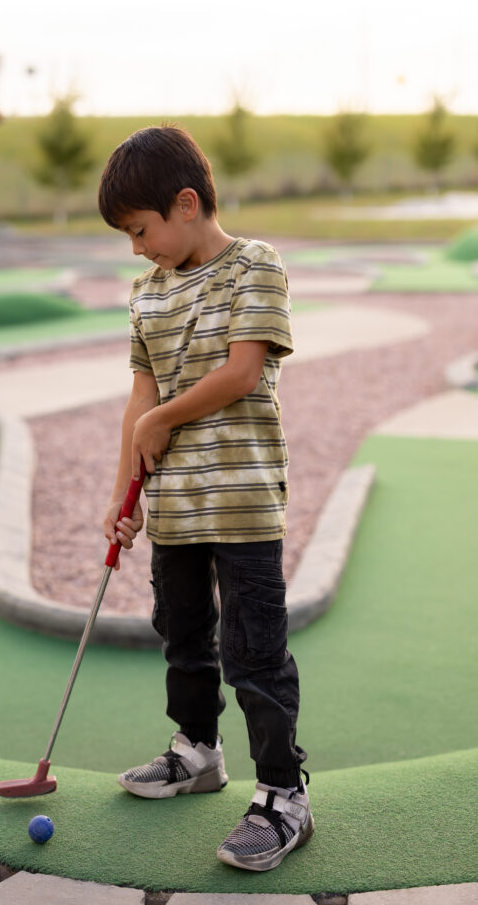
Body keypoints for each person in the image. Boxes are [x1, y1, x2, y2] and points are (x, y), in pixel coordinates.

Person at [99, 125, 313, 873]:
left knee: (252, 651)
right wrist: (124, 486)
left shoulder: (255, 266)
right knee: (182, 635)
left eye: (139, 229)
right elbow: (139, 398)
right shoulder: (145, 294)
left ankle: (283, 794)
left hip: (243, 501)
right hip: (175, 509)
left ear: (185, 204)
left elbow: (243, 372)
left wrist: (160, 420)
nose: (135, 247)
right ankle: (197, 752)